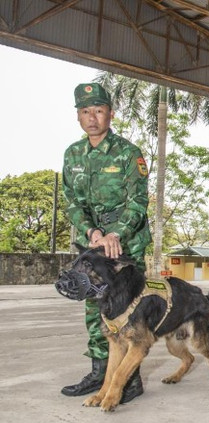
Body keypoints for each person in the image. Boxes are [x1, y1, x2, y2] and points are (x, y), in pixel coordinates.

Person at [61, 82, 151, 403]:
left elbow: (138, 202)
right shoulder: (73, 154)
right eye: (86, 111)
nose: (92, 117)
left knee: (128, 312)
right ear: (78, 116)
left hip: (126, 244)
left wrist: (115, 234)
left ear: (110, 114)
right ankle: (100, 372)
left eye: (98, 110)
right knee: (95, 307)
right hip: (93, 243)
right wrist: (92, 232)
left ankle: (130, 381)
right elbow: (72, 202)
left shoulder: (128, 153)